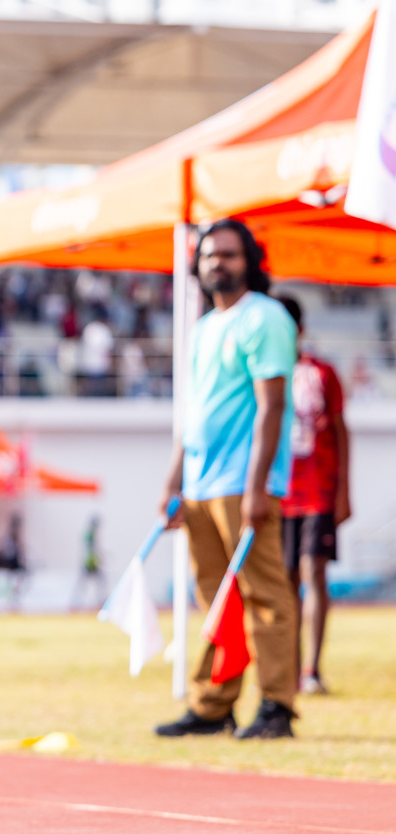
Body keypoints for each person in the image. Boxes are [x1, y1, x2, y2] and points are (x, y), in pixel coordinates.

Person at [155, 220, 298, 741]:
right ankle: (214, 705)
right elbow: (193, 416)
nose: (218, 263)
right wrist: (173, 484)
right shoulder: (205, 327)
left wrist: (259, 487)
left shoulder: (266, 318)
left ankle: (277, 705)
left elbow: (271, 407)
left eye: (230, 255)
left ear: (251, 260)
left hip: (243, 483)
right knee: (216, 599)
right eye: (210, 255)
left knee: (264, 594)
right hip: (199, 484)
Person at [276, 295, 352, 696]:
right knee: (283, 581)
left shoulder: (321, 373)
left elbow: (340, 431)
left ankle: (311, 669)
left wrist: (344, 492)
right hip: (278, 493)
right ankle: (285, 667)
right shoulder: (264, 375)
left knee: (313, 573)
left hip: (317, 490)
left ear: (300, 330)